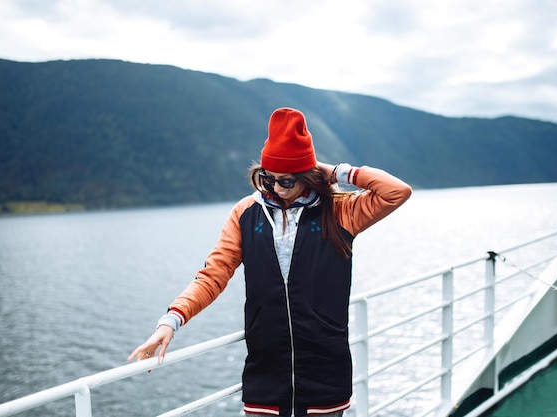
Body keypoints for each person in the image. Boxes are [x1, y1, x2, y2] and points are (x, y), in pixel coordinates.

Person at [129, 107, 412, 417]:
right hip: (265, 377)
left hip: (325, 375)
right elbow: (213, 276)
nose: (276, 188)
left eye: (287, 181)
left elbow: (396, 191)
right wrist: (171, 321)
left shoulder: (340, 211)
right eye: (268, 178)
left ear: (307, 176)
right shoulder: (246, 213)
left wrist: (332, 171)